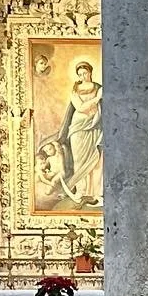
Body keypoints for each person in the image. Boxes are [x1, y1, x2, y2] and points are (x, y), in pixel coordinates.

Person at [50, 61, 102, 207]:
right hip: (78, 127)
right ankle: (80, 190)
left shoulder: (99, 87)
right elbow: (80, 107)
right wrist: (97, 98)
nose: (83, 76)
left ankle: (93, 193)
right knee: (79, 160)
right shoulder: (75, 90)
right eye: (80, 74)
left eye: (85, 73)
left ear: (90, 72)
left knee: (95, 159)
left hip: (95, 125)